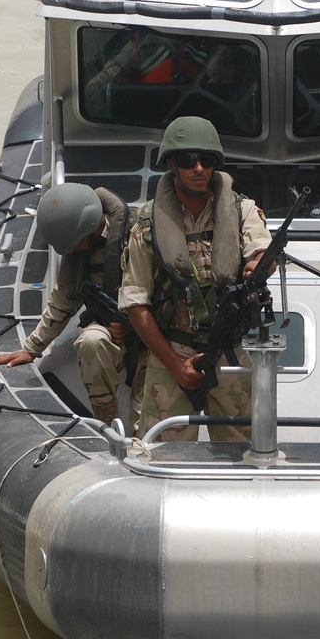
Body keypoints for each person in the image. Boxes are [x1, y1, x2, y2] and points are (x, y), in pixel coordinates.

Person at [118, 116, 272, 442]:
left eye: (207, 160)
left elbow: (262, 250)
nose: (199, 168)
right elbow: (135, 304)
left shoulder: (242, 210)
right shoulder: (146, 224)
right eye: (189, 160)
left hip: (231, 350)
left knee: (244, 454)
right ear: (172, 164)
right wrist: (176, 366)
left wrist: (259, 264)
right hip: (173, 350)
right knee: (160, 457)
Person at [0, 183, 136, 425]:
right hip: (109, 327)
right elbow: (63, 299)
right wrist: (31, 348)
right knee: (90, 342)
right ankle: (106, 422)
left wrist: (135, 327)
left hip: (151, 328)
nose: (69, 250)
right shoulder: (79, 251)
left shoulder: (137, 235)